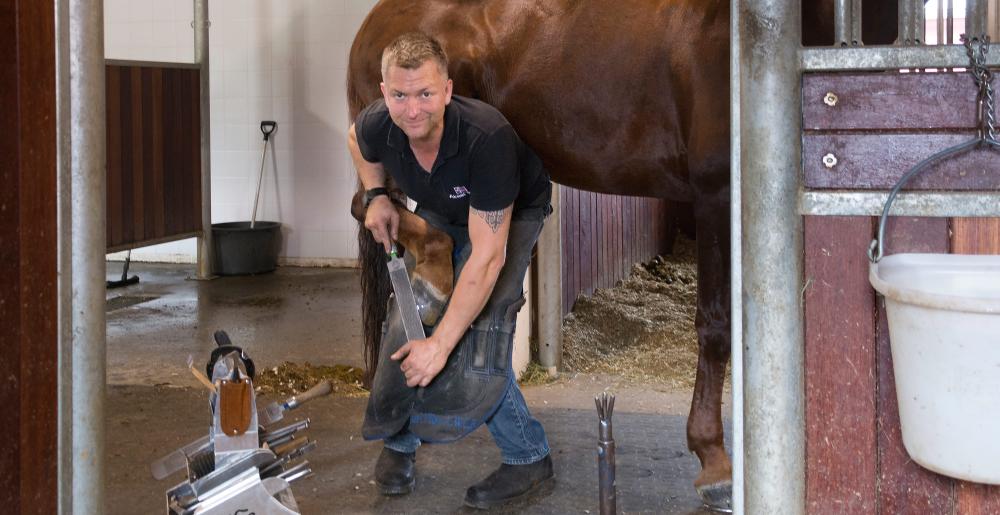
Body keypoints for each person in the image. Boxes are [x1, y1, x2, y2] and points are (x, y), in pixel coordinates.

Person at [347, 31, 555, 509]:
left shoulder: (487, 139)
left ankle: (528, 456)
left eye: (425, 94)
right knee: (413, 310)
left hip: (511, 213)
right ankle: (400, 440)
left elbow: (487, 258)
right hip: (445, 207)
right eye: (399, 95)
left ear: (446, 90)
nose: (412, 109)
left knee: (481, 327)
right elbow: (357, 138)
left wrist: (441, 346)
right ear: (385, 92)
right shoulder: (382, 121)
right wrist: (376, 195)